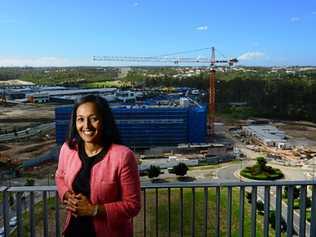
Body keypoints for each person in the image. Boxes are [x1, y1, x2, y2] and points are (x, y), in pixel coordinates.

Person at [55, 95, 141, 237]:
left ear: (104, 121)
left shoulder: (123, 156)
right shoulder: (68, 149)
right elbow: (59, 176)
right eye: (80, 119)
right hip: (73, 231)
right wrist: (66, 195)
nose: (86, 126)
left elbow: (133, 205)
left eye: (93, 119)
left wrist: (93, 210)